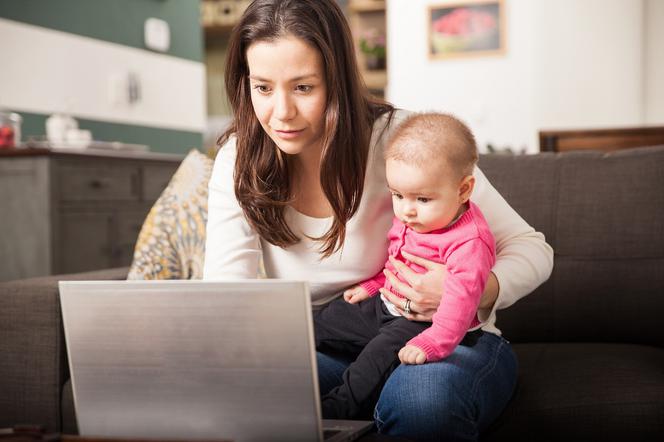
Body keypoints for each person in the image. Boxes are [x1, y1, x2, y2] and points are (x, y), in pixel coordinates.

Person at [203, 0, 554, 440]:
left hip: (444, 338)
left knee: (422, 405)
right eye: (263, 88)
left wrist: (474, 289)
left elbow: (532, 248)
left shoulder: (404, 140)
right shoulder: (239, 158)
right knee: (241, 393)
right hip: (329, 341)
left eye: (304, 88)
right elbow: (225, 294)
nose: (281, 113)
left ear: (337, 82)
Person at [314, 112, 497, 420]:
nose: (406, 210)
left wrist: (432, 343)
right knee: (322, 321)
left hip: (424, 324)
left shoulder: (469, 241)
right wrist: (374, 285)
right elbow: (398, 259)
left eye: (422, 199)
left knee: (375, 358)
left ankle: (335, 412)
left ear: (463, 190)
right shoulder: (415, 218)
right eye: (398, 195)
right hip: (385, 304)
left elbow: (461, 303)